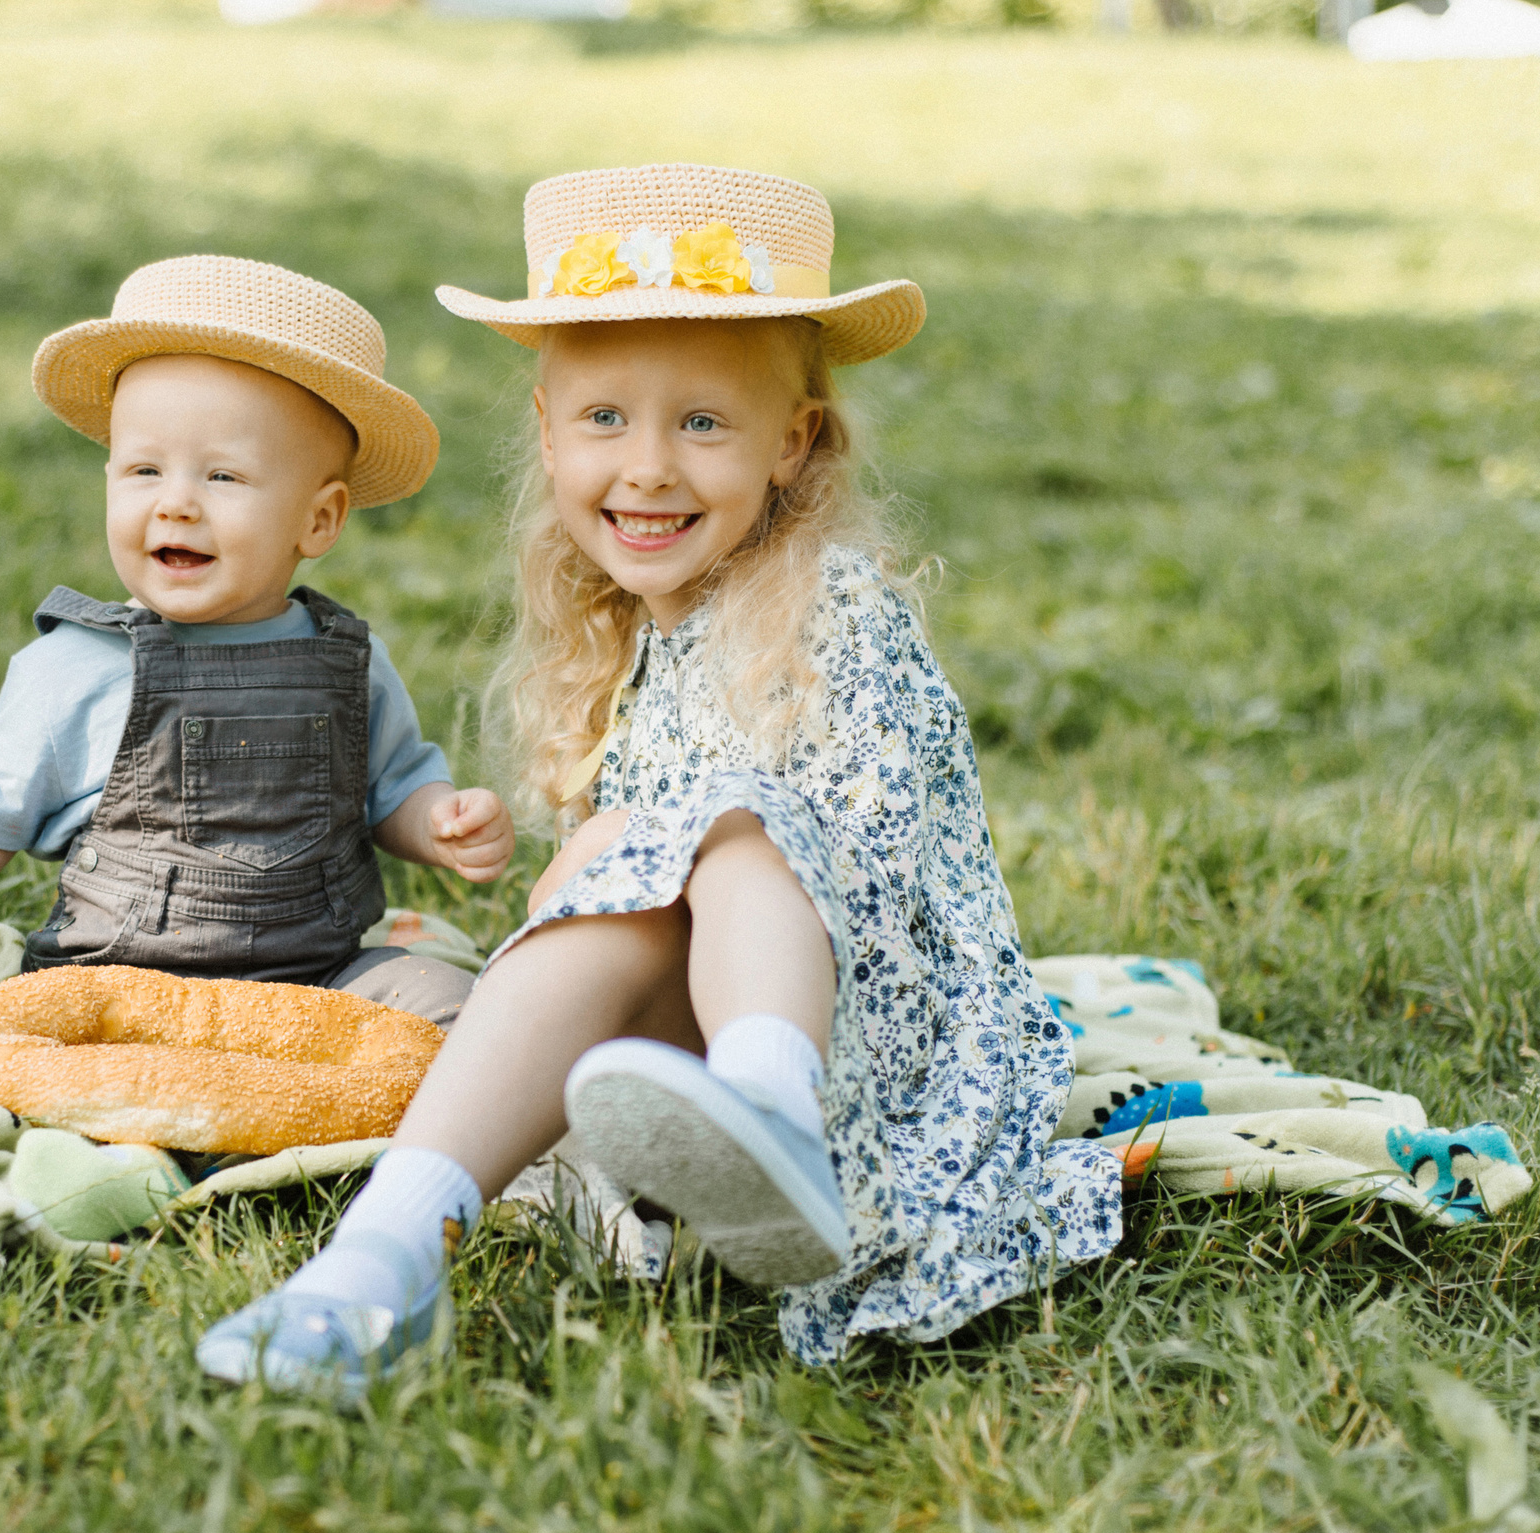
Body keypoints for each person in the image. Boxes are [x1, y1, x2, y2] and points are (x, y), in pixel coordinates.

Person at [197, 166, 1123, 1403]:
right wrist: (586, 866)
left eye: (701, 423)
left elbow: (897, 865)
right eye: (603, 421)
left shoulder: (831, 609)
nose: (647, 469)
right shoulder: (621, 635)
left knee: (729, 830)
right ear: (544, 427)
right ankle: (386, 1252)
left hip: (869, 1038)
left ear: (791, 442)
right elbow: (624, 902)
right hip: (680, 1049)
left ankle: (770, 1114)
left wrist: (661, 841)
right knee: (616, 890)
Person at [0, 256, 515, 1024]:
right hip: (121, 988)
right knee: (26, 1025)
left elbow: (393, 786)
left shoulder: (344, 665)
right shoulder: (78, 666)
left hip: (319, 979)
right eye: (143, 469)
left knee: (450, 1004)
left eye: (223, 478)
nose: (175, 504)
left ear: (320, 520)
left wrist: (440, 822)